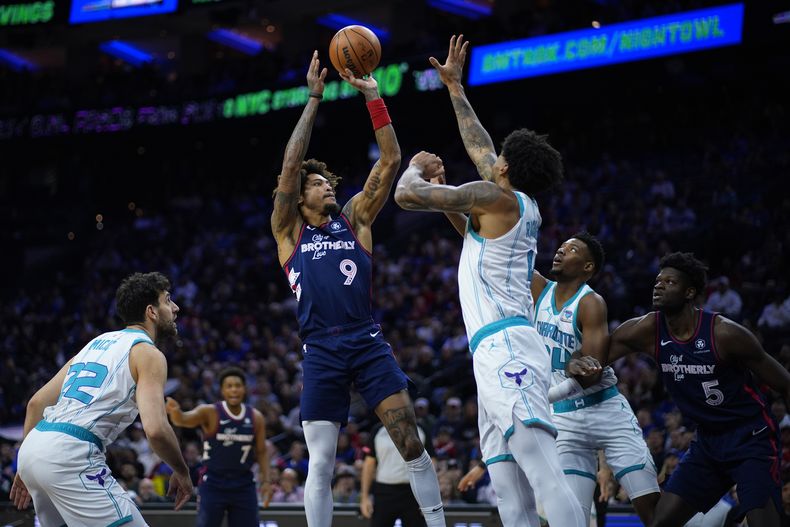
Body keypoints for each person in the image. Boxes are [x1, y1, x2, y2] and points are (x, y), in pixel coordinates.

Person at [395, 34, 586, 527]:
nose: (490, 155)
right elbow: (479, 154)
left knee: (543, 473)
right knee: (507, 486)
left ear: (505, 167)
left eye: (497, 156)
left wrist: (416, 170)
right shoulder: (514, 206)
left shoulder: (496, 199)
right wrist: (456, 89)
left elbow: (405, 197)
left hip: (507, 348)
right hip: (496, 350)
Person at [270, 51, 444, 527]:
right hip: (321, 349)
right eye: (318, 184)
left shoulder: (354, 218)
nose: (328, 187)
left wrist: (373, 97)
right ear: (299, 196)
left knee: (411, 442)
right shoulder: (288, 231)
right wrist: (313, 98)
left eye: (329, 182)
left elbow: (390, 160)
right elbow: (289, 167)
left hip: (366, 340)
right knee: (321, 462)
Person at [607, 252, 790, 526]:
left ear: (689, 292)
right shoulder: (649, 329)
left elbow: (784, 383)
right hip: (707, 442)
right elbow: (598, 353)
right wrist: (579, 361)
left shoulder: (725, 334)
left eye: (670, 282)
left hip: (751, 438)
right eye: (658, 281)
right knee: (660, 522)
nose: (659, 286)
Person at [10, 272, 193, 526]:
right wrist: (182, 471)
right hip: (69, 455)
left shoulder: (95, 343)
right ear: (151, 311)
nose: (175, 308)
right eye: (168, 300)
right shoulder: (148, 354)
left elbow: (36, 404)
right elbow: (156, 429)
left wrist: (26, 463)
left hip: (33, 448)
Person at [533, 233, 660, 525]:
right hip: (565, 420)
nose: (561, 251)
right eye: (561, 246)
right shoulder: (538, 288)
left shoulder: (591, 303)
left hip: (605, 411)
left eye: (572, 249)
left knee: (649, 507)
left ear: (588, 267)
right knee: (568, 518)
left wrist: (557, 384)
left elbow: (590, 376)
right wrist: (447, 207)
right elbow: (490, 249)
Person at [165, 366, 271, 526]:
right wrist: (176, 413)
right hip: (213, 483)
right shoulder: (210, 412)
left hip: (244, 484)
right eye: (229, 386)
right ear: (222, 390)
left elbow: (262, 452)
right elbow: (184, 420)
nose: (234, 390)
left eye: (237, 386)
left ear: (244, 389)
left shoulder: (256, 417)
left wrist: (266, 482)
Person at [360, 422, 434, 527]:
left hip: (415, 492)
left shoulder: (421, 428)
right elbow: (369, 464)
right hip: (384, 491)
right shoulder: (378, 429)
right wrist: (364, 497)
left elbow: (431, 463)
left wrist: (430, 497)